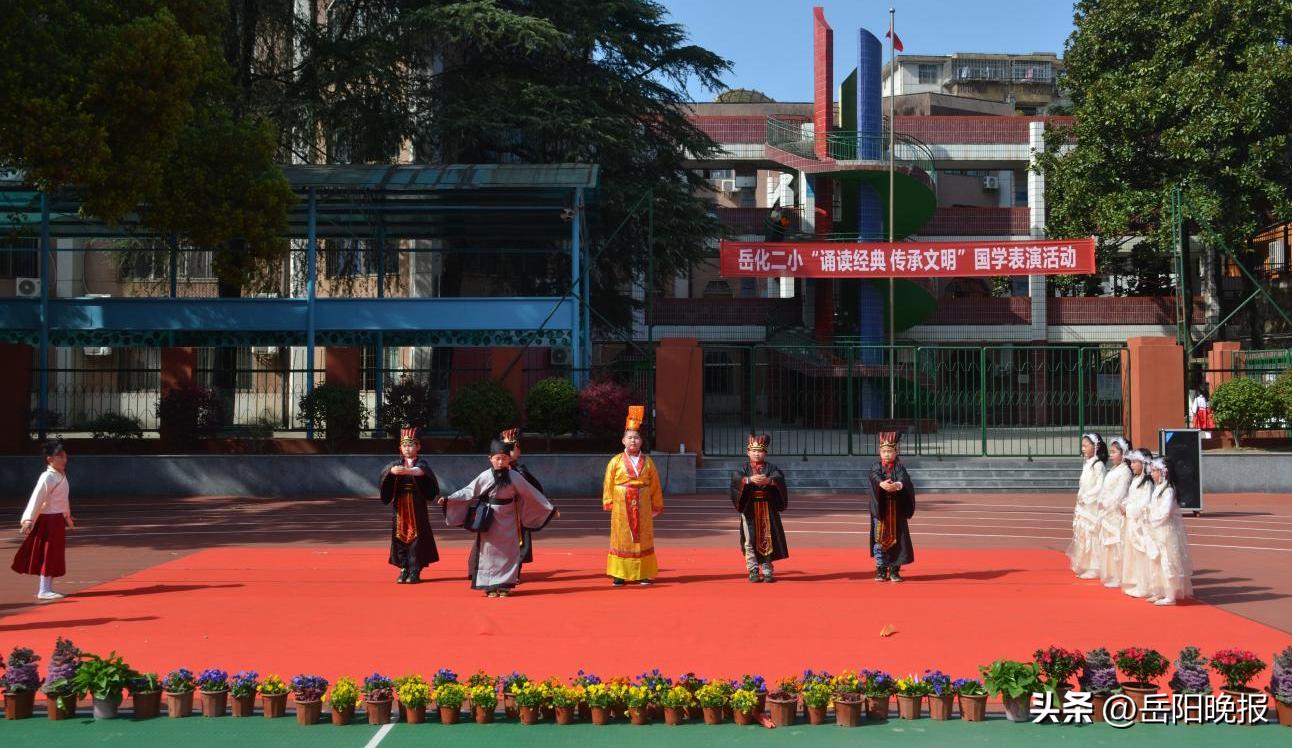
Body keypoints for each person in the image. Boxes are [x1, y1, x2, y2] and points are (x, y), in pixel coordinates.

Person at [440, 438, 557, 597]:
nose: (501, 462)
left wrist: (549, 507)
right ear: (490, 459)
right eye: (497, 458)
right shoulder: (485, 476)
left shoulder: (515, 476)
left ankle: (504, 585)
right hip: (490, 517)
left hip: (509, 518)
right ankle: (489, 585)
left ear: (509, 459)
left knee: (509, 552)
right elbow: (469, 490)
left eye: (504, 458)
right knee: (488, 551)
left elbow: (531, 493)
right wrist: (450, 499)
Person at [602, 405, 664, 586]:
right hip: (622, 504)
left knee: (643, 537)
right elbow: (608, 482)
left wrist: (656, 504)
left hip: (643, 503)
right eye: (630, 438)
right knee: (621, 537)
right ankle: (619, 574)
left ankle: (643, 573)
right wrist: (609, 501)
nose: (633, 441)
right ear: (623, 440)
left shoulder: (649, 462)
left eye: (636, 438)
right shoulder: (615, 461)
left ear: (641, 441)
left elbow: (655, 484)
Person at [12, 439, 75, 601]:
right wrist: (28, 519)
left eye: (65, 456)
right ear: (50, 459)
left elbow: (63, 499)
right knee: (48, 553)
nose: (64, 460)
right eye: (60, 456)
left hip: (57, 520)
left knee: (54, 554)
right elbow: (37, 498)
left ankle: (47, 588)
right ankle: (44, 590)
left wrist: (67, 516)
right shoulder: (47, 477)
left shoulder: (60, 475)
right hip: (48, 520)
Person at [377, 428, 440, 584]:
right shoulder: (395, 464)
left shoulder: (420, 464)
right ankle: (403, 567)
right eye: (404, 445)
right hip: (400, 506)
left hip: (416, 504)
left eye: (411, 445)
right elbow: (385, 474)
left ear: (418, 447)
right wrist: (391, 471)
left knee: (416, 536)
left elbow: (421, 472)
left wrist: (408, 471)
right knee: (400, 535)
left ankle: (415, 570)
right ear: (400, 448)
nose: (407, 448)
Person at [729, 434, 789, 583]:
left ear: (766, 453)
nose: (757, 453)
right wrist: (748, 480)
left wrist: (770, 480)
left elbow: (779, 478)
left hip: (767, 507)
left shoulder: (771, 468)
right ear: (748, 452)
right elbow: (736, 479)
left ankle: (767, 569)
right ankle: (753, 569)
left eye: (760, 450)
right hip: (749, 508)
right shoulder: (742, 468)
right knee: (749, 540)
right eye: (753, 450)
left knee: (768, 538)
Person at [1144, 457, 1193, 606]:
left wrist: (1152, 519)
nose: (1151, 474)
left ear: (1164, 472)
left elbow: (1165, 512)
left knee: (1168, 562)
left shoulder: (1169, 490)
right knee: (1156, 561)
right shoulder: (1158, 488)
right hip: (1156, 530)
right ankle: (1160, 591)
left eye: (1154, 471)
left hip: (1165, 531)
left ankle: (1171, 595)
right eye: (1151, 471)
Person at [867, 431, 915, 583]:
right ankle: (881, 569)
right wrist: (881, 483)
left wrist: (898, 485)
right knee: (879, 540)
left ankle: (894, 570)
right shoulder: (876, 466)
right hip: (881, 512)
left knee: (898, 541)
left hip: (896, 511)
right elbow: (874, 477)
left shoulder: (899, 468)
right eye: (884, 451)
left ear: (896, 452)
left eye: (890, 451)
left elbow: (904, 479)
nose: (886, 454)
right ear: (879, 452)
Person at [501, 427, 545, 566]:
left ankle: (513, 571)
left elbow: (534, 488)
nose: (519, 450)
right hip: (503, 513)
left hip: (516, 512)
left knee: (516, 542)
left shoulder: (518, 469)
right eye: (515, 446)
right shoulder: (501, 470)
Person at [1067, 433, 1107, 580]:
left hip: (1092, 506)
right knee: (1083, 534)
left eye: (1085, 445)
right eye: (1082, 445)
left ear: (1095, 447)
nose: (1083, 448)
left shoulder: (1099, 465)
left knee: (1092, 535)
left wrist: (1087, 496)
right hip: (1083, 505)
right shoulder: (1087, 463)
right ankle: (1085, 563)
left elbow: (1100, 486)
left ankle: (1094, 566)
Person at [1096, 437, 1133, 589]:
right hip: (1107, 513)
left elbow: (1120, 493)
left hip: (1116, 513)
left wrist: (1108, 504)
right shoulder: (1114, 469)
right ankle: (1112, 573)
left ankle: (1120, 575)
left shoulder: (1125, 472)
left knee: (1118, 544)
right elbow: (1106, 488)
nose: (1111, 455)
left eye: (1114, 452)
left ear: (1123, 454)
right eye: (1110, 452)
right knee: (1109, 545)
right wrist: (1101, 500)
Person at [1120, 449, 1155, 598]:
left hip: (1141, 524)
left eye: (1135, 462)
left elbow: (1144, 503)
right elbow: (1131, 497)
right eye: (1131, 462)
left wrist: (1128, 509)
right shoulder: (1136, 479)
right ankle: (1137, 582)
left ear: (1144, 463)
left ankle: (1145, 585)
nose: (1132, 465)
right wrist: (1124, 504)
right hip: (1132, 522)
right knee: (1133, 553)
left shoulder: (1147, 483)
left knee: (1142, 553)